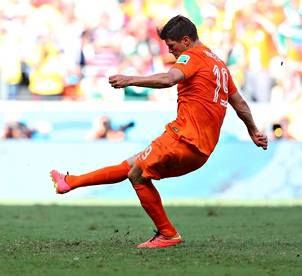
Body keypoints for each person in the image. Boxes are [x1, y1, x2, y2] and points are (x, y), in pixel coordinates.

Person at [50, 15, 268, 249]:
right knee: (132, 165)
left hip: (183, 138)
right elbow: (240, 104)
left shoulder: (191, 57)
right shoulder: (220, 66)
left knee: (136, 175)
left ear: (186, 41)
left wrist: (130, 80)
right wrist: (254, 131)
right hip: (201, 151)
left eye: (172, 46)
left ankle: (168, 233)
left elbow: (168, 79)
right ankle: (70, 182)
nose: (171, 52)